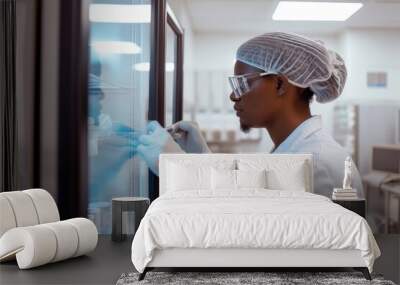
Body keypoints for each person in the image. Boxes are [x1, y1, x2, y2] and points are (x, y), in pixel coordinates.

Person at [135, 32, 363, 198]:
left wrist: (179, 170)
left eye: (242, 83)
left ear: (280, 85)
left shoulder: (317, 165)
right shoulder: (293, 149)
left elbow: (252, 227)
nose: (233, 96)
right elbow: (252, 196)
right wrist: (202, 158)